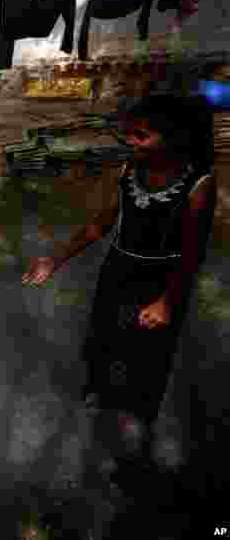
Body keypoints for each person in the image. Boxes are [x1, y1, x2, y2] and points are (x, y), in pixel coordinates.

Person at [22, 93, 217, 493]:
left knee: (149, 363)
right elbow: (101, 224)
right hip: (119, 270)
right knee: (102, 340)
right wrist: (54, 260)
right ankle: (99, 400)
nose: (132, 142)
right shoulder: (129, 170)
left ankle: (136, 451)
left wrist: (166, 301)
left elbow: (193, 252)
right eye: (129, 134)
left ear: (174, 137)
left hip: (163, 280)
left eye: (142, 136)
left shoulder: (199, 184)